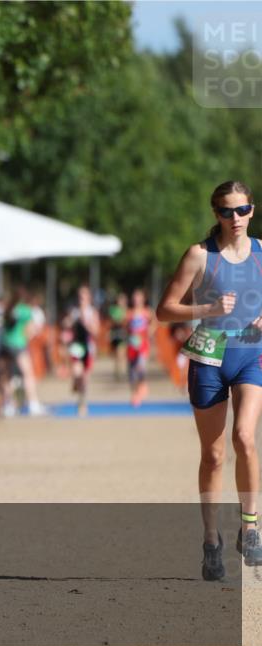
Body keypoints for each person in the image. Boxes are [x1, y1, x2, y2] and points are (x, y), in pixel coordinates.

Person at [156, 180, 261, 580]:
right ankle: (211, 539)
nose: (235, 219)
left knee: (246, 438)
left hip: (253, 352)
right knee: (214, 455)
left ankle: (250, 527)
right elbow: (164, 311)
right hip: (209, 354)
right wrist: (209, 307)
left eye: (242, 210)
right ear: (215, 213)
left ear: (252, 210)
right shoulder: (200, 256)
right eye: (226, 211)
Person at [2, 286, 46, 416]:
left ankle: (8, 405)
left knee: (9, 376)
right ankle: (33, 404)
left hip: (6, 344)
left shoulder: (9, 309)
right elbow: (30, 329)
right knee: (28, 374)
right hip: (19, 344)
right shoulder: (26, 311)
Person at [63, 285, 100, 416]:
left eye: (84, 296)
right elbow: (66, 325)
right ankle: (76, 382)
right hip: (77, 347)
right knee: (76, 372)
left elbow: (96, 332)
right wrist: (69, 323)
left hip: (88, 347)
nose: (81, 299)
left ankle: (82, 402)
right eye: (79, 296)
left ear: (89, 298)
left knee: (85, 377)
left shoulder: (92, 312)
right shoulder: (74, 312)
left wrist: (87, 324)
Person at [125, 288, 154, 407]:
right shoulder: (129, 313)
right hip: (132, 345)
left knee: (140, 366)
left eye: (138, 297)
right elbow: (126, 328)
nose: (136, 300)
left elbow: (154, 323)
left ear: (143, 299)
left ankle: (142, 386)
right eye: (135, 297)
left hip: (143, 345)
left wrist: (149, 333)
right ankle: (134, 393)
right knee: (131, 372)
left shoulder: (147, 312)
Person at [109, 292, 129, 380]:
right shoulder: (113, 309)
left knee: (121, 352)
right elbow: (115, 320)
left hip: (124, 334)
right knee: (116, 354)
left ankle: (122, 371)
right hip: (115, 333)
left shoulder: (128, 310)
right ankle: (117, 370)